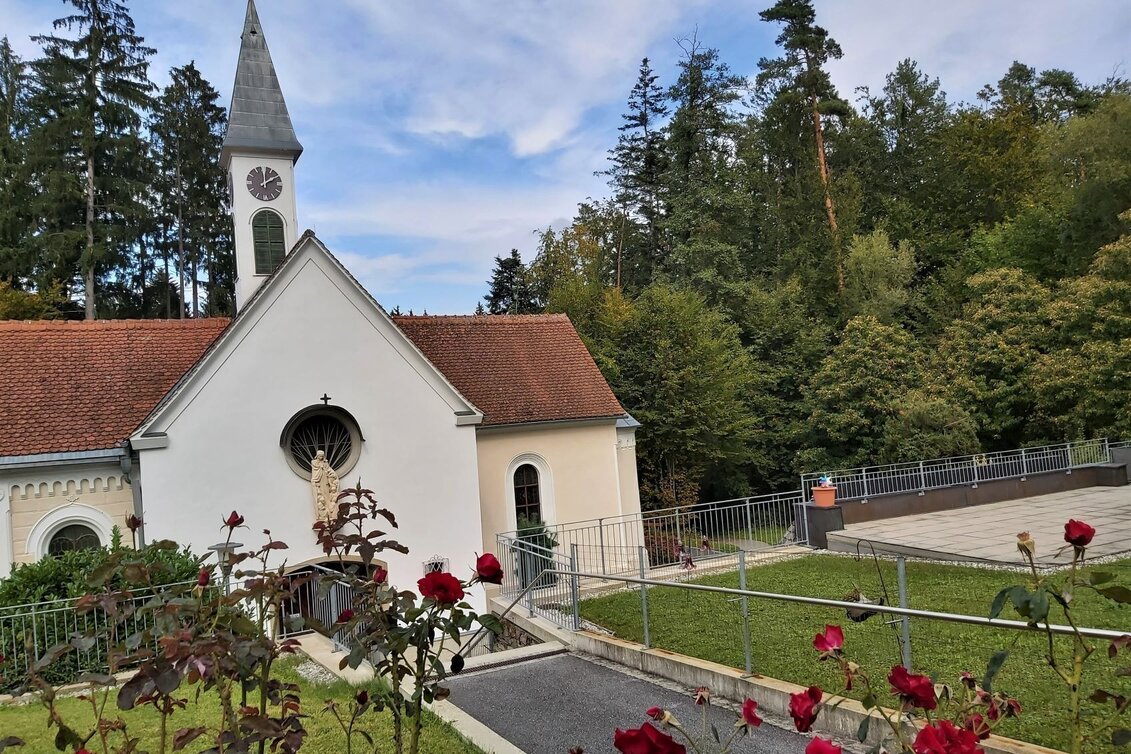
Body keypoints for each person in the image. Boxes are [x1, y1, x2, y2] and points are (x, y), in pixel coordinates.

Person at [310, 450, 340, 520]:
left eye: (322, 456)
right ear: (317, 456)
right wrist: (321, 467)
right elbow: (315, 471)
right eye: (320, 456)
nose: (321, 457)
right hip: (319, 481)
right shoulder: (314, 462)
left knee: (327, 495)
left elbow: (329, 469)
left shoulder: (325, 463)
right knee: (321, 494)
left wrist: (333, 474)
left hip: (326, 480)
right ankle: (323, 514)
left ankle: (329, 512)